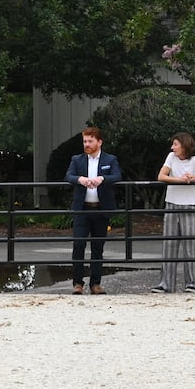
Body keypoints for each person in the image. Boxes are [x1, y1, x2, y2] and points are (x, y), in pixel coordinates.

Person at [152, 132, 195, 294]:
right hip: (172, 203)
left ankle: (193, 284)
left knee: (190, 245)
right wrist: (180, 180)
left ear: (183, 145)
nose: (172, 147)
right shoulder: (171, 158)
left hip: (190, 204)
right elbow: (161, 176)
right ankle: (166, 284)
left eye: (175, 144)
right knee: (169, 244)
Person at [66, 126, 122, 295]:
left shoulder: (110, 159)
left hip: (101, 209)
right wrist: (79, 179)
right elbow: (68, 176)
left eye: (90, 141)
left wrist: (102, 179)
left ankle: (95, 284)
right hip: (82, 209)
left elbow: (117, 176)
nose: (87, 144)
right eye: (85, 141)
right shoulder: (77, 159)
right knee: (78, 245)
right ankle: (77, 283)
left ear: (99, 142)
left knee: (98, 247)